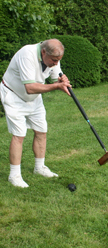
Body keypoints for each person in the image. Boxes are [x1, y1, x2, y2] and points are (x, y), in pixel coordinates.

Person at [0, 39, 72, 188]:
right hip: (13, 95)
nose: (56, 63)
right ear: (44, 52)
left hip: (34, 98)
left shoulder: (52, 57)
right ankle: (14, 175)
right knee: (19, 135)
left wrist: (61, 79)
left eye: (59, 60)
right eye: (54, 60)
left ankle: (39, 168)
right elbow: (30, 87)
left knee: (41, 131)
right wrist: (57, 86)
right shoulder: (27, 54)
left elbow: (54, 77)